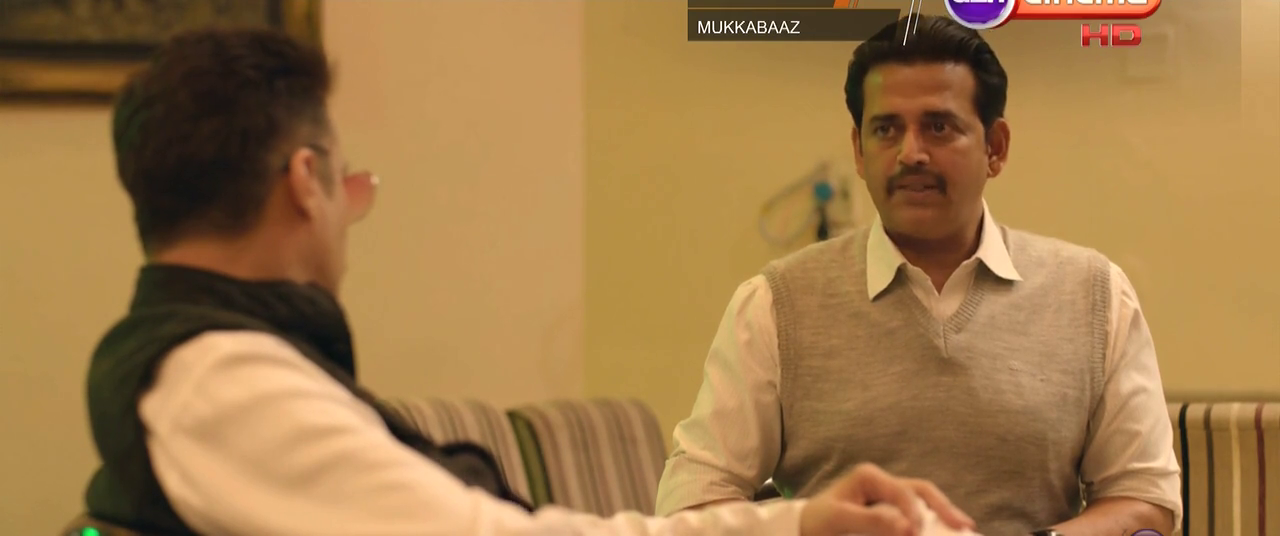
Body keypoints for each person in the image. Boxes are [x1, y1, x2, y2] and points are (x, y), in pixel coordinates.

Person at [79, 27, 979, 536]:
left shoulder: (212, 369)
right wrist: (794, 526)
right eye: (350, 182)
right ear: (305, 182)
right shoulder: (221, 382)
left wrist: (800, 523)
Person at [654, 14, 1182, 536]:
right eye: (886, 130)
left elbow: (1146, 499)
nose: (911, 153)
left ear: (995, 147)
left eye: (939, 126)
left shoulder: (1091, 294)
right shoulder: (776, 304)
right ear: (859, 150)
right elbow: (691, 504)